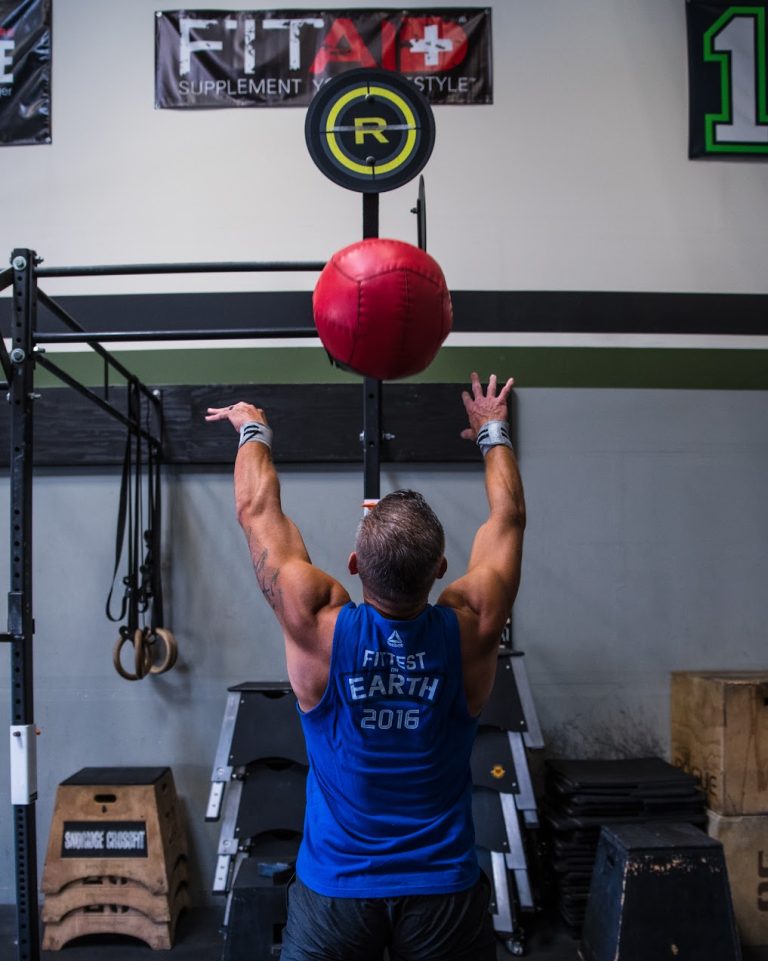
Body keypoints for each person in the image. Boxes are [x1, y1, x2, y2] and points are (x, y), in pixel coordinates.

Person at [205, 372, 526, 961]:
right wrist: (493, 431)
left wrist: (252, 427)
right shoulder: (472, 626)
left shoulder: (318, 626)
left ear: (353, 564)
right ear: (440, 570)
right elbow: (508, 521)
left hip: (336, 898)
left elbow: (255, 511)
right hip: (443, 895)